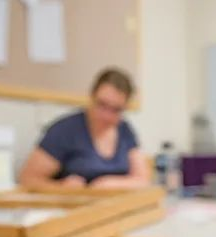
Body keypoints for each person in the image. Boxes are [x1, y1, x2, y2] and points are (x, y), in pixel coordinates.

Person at [19, 68, 151, 189]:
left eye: (116, 110)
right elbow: (28, 179)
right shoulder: (65, 130)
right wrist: (60, 187)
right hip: (75, 203)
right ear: (91, 97)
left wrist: (107, 184)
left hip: (115, 204)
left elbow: (143, 179)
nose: (106, 116)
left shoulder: (124, 130)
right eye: (102, 105)